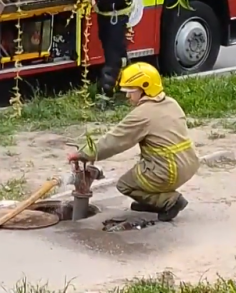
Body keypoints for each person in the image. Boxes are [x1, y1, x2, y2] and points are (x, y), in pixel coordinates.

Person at [68, 62, 199, 222]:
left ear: (145, 87)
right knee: (142, 169)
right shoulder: (171, 103)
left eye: (131, 91)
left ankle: (169, 201)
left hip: (169, 171)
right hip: (189, 163)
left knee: (125, 184)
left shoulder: (142, 114)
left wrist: (83, 154)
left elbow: (114, 141)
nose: (128, 96)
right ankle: (155, 201)